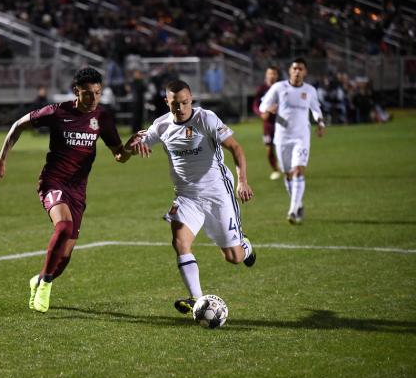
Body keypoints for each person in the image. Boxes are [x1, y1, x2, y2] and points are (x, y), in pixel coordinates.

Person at [0, 67, 138, 313]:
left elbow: (119, 156)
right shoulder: (58, 112)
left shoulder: (102, 118)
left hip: (78, 190)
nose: (93, 99)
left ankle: (39, 279)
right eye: (88, 94)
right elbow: (18, 125)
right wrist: (1, 158)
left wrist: (130, 148)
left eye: (98, 93)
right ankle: (45, 285)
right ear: (76, 92)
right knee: (64, 226)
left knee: (65, 257)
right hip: (53, 182)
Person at [129, 79, 256, 317]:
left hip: (218, 193)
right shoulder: (161, 126)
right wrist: (131, 145)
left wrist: (242, 181)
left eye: (185, 102)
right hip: (187, 196)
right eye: (175, 104)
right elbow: (128, 152)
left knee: (234, 257)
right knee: (180, 242)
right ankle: (197, 300)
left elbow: (235, 148)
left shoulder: (205, 119)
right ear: (166, 101)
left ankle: (246, 247)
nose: (181, 108)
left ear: (191, 99)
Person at [259, 58, 325, 225]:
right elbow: (262, 106)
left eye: (300, 69)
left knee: (298, 171)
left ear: (305, 72)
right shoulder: (279, 87)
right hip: (282, 138)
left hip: (302, 137)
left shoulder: (310, 90)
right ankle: (298, 203)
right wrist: (268, 109)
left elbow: (316, 108)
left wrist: (320, 122)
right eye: (294, 68)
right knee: (288, 174)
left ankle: (293, 210)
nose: (297, 71)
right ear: (290, 71)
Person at [252, 66, 280, 180]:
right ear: (266, 75)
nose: (271, 76)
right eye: (269, 73)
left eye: (274, 74)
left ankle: (289, 169)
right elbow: (255, 105)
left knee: (283, 147)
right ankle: (276, 170)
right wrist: (261, 113)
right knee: (269, 150)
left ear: (277, 75)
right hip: (268, 124)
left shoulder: (281, 88)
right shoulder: (262, 88)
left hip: (281, 123)